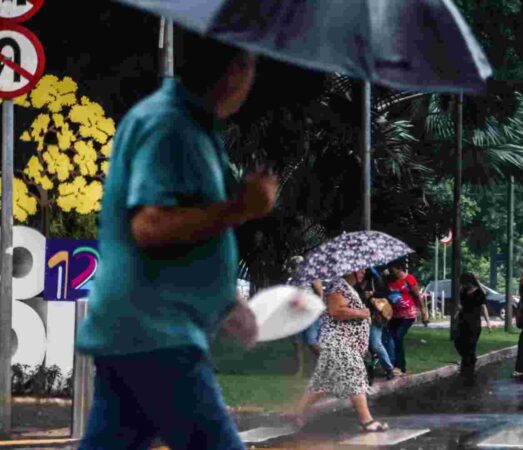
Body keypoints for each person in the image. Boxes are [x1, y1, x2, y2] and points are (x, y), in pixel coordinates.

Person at [75, 30, 271, 450]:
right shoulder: (170, 125)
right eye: (252, 65)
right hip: (158, 331)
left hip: (140, 328)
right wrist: (242, 207)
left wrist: (226, 302)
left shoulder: (189, 126)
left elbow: (187, 241)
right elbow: (151, 225)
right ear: (236, 69)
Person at [287, 270, 389, 432]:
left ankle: (296, 413)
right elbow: (336, 311)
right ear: (348, 270)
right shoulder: (337, 286)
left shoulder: (347, 287)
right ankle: (366, 421)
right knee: (356, 377)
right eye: (359, 269)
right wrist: (362, 313)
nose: (362, 272)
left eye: (363, 269)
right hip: (340, 343)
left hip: (342, 344)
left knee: (322, 383)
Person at [386, 260, 428, 376]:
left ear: (399, 268)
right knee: (392, 338)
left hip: (408, 314)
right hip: (394, 314)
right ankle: (393, 364)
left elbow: (418, 296)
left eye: (392, 269)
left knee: (398, 337)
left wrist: (424, 312)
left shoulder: (409, 279)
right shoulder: (389, 280)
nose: (390, 271)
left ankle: (400, 366)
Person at [285, 256, 324, 377]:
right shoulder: (291, 280)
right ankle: (300, 370)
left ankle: (329, 365)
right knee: (298, 343)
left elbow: (320, 292)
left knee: (312, 342)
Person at [359, 267, 396, 381]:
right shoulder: (354, 283)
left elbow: (387, 294)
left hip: (376, 317)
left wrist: (372, 293)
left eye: (363, 270)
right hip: (359, 317)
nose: (361, 272)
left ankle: (389, 368)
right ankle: (366, 371)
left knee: (375, 344)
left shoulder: (375, 280)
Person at [454, 273, 493, 376]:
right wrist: (458, 313)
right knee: (458, 342)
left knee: (470, 346)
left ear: (469, 282)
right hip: (462, 321)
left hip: (474, 324)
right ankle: (471, 360)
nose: (463, 285)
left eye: (464, 283)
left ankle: (468, 370)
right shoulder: (463, 291)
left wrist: (488, 322)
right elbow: (462, 305)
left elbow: (483, 308)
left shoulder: (479, 293)